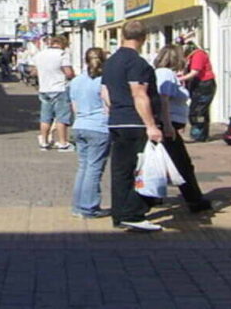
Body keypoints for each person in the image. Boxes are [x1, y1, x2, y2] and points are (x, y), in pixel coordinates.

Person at [102, 20, 164, 232]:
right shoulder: (138, 64)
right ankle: (133, 214)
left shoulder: (111, 62)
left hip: (117, 120)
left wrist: (115, 110)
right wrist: (151, 125)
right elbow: (139, 94)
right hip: (134, 122)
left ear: (122, 35)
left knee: (121, 170)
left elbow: (105, 94)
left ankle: (119, 213)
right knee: (139, 169)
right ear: (143, 38)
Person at [154, 45, 212, 213]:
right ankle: (194, 200)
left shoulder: (167, 74)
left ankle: (153, 197)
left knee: (168, 164)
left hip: (171, 123)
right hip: (167, 125)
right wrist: (167, 125)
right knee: (182, 164)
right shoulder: (165, 74)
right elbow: (163, 99)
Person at [69, 48, 110, 219]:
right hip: (98, 127)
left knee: (83, 167)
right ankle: (89, 207)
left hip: (79, 125)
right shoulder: (105, 81)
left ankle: (78, 205)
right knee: (94, 169)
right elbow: (109, 104)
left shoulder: (76, 81)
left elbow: (75, 107)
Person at [33, 36, 75, 152]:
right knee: (61, 118)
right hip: (59, 88)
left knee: (45, 118)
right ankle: (63, 143)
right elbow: (69, 72)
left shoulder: (40, 54)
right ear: (63, 44)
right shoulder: (62, 54)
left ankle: (44, 142)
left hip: (44, 89)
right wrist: (73, 77)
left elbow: (35, 71)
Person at [181, 41, 217, 142]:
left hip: (204, 85)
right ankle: (202, 134)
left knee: (198, 111)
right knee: (201, 111)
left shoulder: (198, 55)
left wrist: (180, 79)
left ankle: (198, 134)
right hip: (199, 84)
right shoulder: (192, 56)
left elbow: (194, 72)